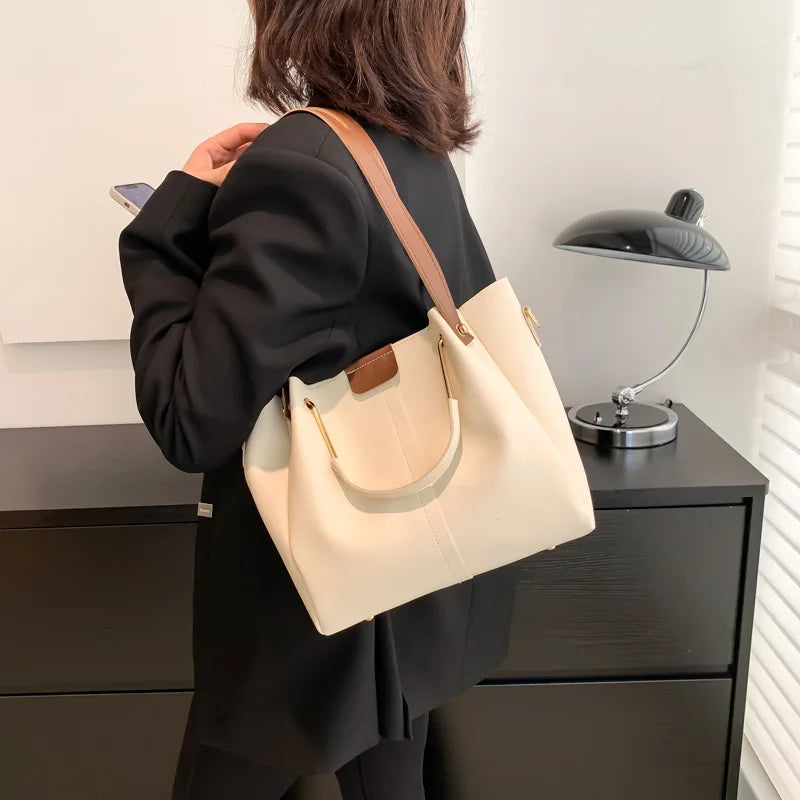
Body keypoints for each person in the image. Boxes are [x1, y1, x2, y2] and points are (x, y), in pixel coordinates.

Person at [118, 1, 518, 797]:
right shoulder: (414, 143)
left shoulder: (302, 162)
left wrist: (164, 230)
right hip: (412, 573)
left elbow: (188, 419)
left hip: (314, 604)